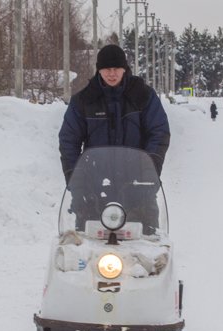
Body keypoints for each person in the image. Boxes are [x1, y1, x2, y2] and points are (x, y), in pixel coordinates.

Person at [59, 44, 170, 233]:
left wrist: (150, 169)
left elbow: (159, 132)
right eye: (106, 69)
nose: (112, 74)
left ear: (124, 69)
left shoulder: (143, 96)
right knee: (85, 248)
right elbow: (69, 140)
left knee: (147, 247)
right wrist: (75, 180)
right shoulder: (84, 100)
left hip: (138, 184)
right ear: (99, 70)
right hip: (94, 187)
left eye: (116, 69)